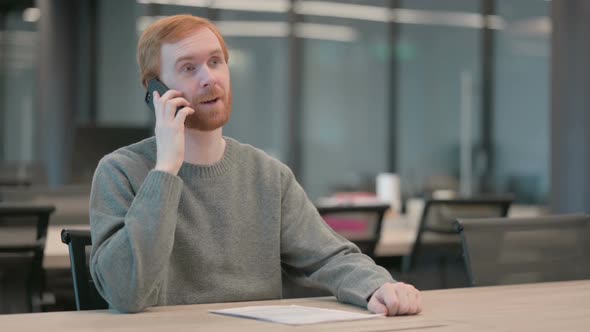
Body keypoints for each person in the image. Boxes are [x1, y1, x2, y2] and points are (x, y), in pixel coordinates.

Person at [89, 14, 421, 316]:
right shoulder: (120, 172)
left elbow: (331, 256)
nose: (209, 78)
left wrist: (378, 286)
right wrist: (165, 169)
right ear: (155, 91)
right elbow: (124, 293)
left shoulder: (268, 175)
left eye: (216, 62)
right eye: (189, 68)